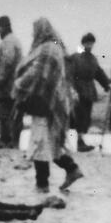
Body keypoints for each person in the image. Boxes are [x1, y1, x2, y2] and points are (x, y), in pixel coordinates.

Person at [12, 17, 82, 192]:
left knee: (40, 143)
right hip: (54, 103)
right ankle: (72, 169)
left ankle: (42, 184)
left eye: (34, 31)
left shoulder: (48, 49)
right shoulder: (56, 46)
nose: (32, 35)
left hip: (45, 103)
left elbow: (38, 74)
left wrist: (18, 84)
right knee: (52, 142)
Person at [67, 32, 111, 152]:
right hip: (77, 91)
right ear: (83, 43)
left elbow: (99, 73)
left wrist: (108, 84)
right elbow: (69, 75)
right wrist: (71, 90)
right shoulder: (75, 57)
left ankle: (81, 141)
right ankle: (76, 142)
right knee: (76, 117)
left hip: (89, 91)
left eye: (91, 43)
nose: (89, 45)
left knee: (86, 117)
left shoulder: (93, 59)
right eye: (87, 43)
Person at [0, 16, 24, 148]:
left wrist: (0, 81)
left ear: (4, 27)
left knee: (4, 113)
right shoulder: (15, 40)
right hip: (16, 84)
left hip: (8, 85)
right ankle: (14, 142)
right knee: (15, 114)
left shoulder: (7, 41)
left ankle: (6, 141)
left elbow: (7, 62)